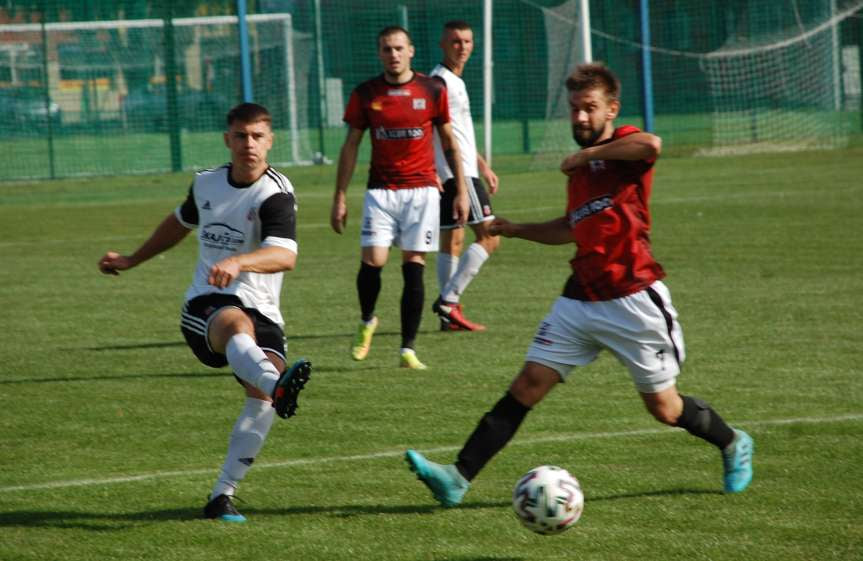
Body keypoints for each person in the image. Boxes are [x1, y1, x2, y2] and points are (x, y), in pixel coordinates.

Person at [405, 63, 754, 505]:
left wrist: (589, 155)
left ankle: (732, 442)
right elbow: (572, 227)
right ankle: (457, 477)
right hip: (580, 298)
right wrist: (515, 229)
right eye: (574, 109)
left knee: (664, 408)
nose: (581, 118)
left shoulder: (624, 148)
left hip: (633, 298)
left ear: (612, 109)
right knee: (528, 383)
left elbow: (653, 143)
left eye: (590, 108)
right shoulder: (580, 172)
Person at [98, 103, 312, 523]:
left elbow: (285, 256)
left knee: (261, 400)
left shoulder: (276, 194)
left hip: (263, 307)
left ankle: (222, 496)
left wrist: (240, 261)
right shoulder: (207, 184)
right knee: (237, 323)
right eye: (240, 135)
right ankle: (278, 383)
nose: (248, 144)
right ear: (227, 139)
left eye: (257, 136)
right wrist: (131, 259)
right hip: (206, 306)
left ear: (271, 140)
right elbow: (179, 223)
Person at [331, 25, 469, 370]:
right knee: (373, 261)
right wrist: (340, 196)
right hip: (381, 190)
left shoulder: (432, 88)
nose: (393, 54)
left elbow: (450, 142)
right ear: (379, 54)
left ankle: (408, 349)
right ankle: (367, 320)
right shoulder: (366, 94)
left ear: (411, 51)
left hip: (422, 191)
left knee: (414, 268)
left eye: (398, 48)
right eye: (386, 49)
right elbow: (351, 146)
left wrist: (462, 190)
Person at [430, 20, 500, 333]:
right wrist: (438, 172)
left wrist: (483, 165)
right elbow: (431, 131)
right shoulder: (440, 82)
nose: (463, 47)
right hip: (456, 174)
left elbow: (458, 133)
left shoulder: (454, 81)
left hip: (463, 171)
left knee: (452, 239)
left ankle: (448, 318)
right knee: (490, 235)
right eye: (456, 41)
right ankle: (448, 300)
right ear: (443, 44)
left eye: (468, 41)